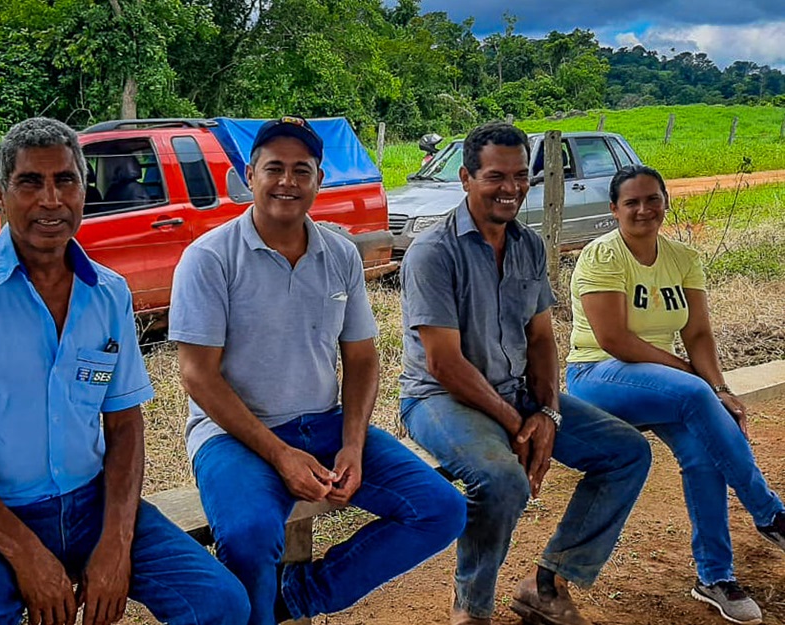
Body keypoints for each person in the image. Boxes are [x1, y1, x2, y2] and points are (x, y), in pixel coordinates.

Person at [0, 117, 250, 625]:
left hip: (91, 504)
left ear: (85, 192)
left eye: (65, 180)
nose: (50, 200)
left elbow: (124, 427)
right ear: (0, 195)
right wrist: (27, 554)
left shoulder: (108, 293)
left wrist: (115, 543)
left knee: (221, 604)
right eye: (30, 182)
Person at [170, 115, 467, 625]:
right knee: (247, 537)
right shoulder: (210, 258)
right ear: (249, 174)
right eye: (274, 169)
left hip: (324, 424)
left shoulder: (339, 254)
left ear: (318, 179)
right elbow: (198, 375)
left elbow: (362, 357)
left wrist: (352, 443)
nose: (287, 182)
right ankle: (254, 612)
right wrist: (281, 454)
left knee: (440, 510)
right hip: (232, 435)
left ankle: (298, 597)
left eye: (301, 170)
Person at [399, 122, 652, 625]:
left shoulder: (528, 245)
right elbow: (443, 363)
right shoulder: (433, 252)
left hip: (514, 392)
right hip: (438, 399)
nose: (511, 188)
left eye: (521, 176)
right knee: (501, 479)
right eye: (496, 176)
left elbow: (540, 338)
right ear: (466, 177)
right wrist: (518, 424)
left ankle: (548, 585)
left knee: (626, 453)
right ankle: (471, 608)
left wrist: (549, 413)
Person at [566, 164, 785, 625]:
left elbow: (699, 333)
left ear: (666, 202)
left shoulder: (682, 257)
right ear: (614, 209)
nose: (643, 209)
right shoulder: (601, 256)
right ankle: (770, 514)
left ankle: (715, 578)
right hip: (597, 374)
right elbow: (614, 339)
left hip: (661, 384)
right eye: (632, 202)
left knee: (704, 455)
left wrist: (719, 387)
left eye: (652, 199)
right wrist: (700, 385)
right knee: (694, 393)